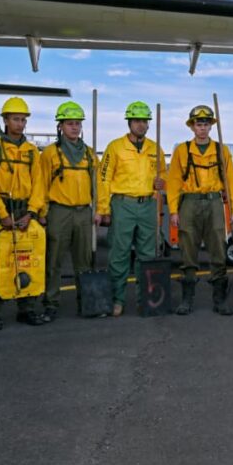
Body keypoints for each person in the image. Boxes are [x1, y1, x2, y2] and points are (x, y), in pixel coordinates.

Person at [0, 97, 45, 330]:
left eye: (23, 119)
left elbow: (39, 185)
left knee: (28, 260)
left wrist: (32, 212)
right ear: (5, 120)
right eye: (15, 119)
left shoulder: (31, 152)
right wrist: (0, 213)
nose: (20, 123)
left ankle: (26, 309)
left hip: (24, 210)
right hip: (1, 211)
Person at [166, 104, 233, 315]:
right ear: (192, 127)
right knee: (188, 249)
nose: (202, 128)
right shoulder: (182, 150)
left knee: (218, 247)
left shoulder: (221, 150)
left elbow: (231, 182)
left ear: (211, 126)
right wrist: (173, 210)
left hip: (214, 202)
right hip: (189, 203)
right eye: (199, 124)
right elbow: (174, 182)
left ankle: (219, 299)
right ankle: (187, 299)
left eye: (206, 124)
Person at [97, 101, 166, 317]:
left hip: (148, 205)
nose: (141, 125)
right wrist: (103, 208)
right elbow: (103, 178)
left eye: (145, 121)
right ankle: (117, 300)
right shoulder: (115, 147)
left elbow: (163, 174)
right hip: (123, 204)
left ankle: (144, 300)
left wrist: (161, 182)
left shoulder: (155, 148)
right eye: (137, 121)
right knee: (119, 254)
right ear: (129, 122)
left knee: (147, 255)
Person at [39, 101, 98, 321]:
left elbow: (97, 186)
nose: (75, 127)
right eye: (70, 123)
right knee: (53, 260)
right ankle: (51, 303)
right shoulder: (50, 154)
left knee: (83, 262)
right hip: (58, 212)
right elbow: (41, 184)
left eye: (78, 123)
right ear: (60, 126)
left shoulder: (90, 155)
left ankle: (86, 301)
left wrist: (99, 210)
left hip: (84, 212)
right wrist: (42, 212)